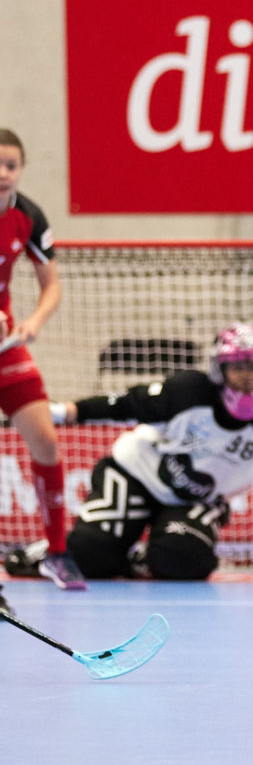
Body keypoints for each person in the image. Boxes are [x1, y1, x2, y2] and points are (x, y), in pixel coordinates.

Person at [14, 323, 253, 583]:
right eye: (237, 367)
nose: (248, 375)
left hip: (195, 500)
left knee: (184, 559)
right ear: (218, 371)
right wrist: (59, 412)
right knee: (88, 555)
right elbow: (125, 404)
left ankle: (143, 557)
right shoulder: (188, 391)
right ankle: (45, 551)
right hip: (135, 473)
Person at [0, 128, 82, 591]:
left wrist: (32, 322)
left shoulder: (28, 216)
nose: (3, 173)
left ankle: (57, 552)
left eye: (11, 165)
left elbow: (51, 286)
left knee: (47, 444)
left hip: (5, 346)